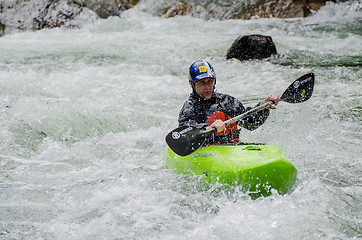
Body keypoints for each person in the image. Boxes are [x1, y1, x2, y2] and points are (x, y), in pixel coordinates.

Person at [178, 60, 280, 144]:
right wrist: (208, 128)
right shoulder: (190, 107)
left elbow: (251, 123)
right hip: (206, 152)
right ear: (192, 84)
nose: (208, 87)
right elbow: (185, 133)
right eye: (202, 83)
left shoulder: (226, 102)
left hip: (232, 148)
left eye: (210, 81)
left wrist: (263, 106)